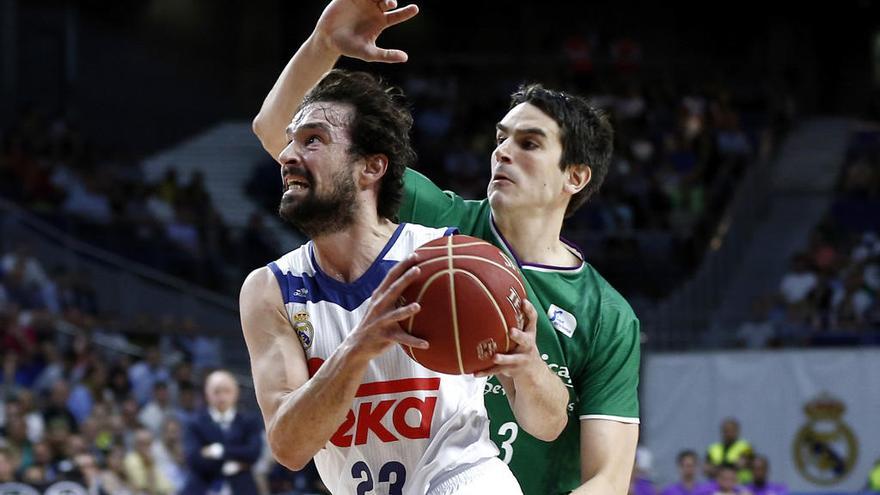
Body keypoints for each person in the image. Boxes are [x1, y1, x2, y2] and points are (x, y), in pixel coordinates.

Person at [251, 1, 641, 493]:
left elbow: (608, 479)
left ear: (575, 177)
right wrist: (322, 44)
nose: (502, 151)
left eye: (530, 143)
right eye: (501, 138)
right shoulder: (445, 232)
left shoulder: (606, 314)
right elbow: (292, 142)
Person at [242, 64, 568, 494]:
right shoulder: (272, 288)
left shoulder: (451, 261)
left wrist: (528, 369)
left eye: (313, 140)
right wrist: (358, 347)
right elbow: (290, 448)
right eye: (291, 143)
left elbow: (548, 424)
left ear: (371, 168)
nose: (286, 156)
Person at [181, 370, 262, 495]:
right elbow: (194, 459)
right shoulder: (194, 423)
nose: (222, 397)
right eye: (216, 391)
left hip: (242, 487)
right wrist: (232, 464)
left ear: (236, 393)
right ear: (207, 394)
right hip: (203, 486)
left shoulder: (249, 421)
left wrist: (219, 451)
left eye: (227, 391)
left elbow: (253, 453)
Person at [706, 418, 753, 483]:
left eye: (731, 430)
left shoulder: (745, 447)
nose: (728, 433)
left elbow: (741, 464)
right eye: (726, 430)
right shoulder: (713, 448)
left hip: (741, 484)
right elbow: (707, 469)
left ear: (737, 431)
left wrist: (718, 467)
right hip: (717, 486)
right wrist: (731, 464)